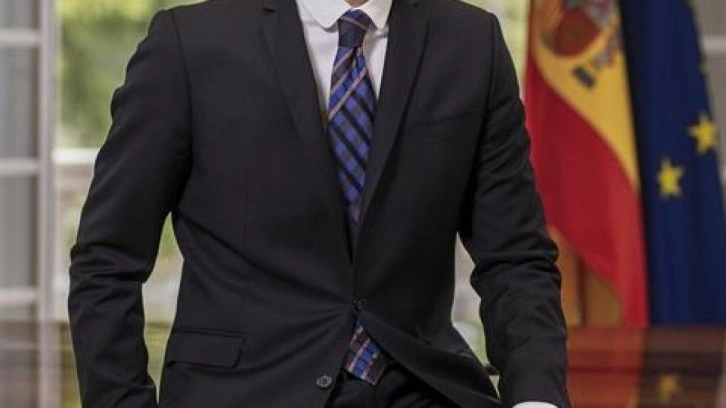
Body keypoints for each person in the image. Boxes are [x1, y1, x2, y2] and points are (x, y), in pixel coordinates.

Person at [67, 0, 569, 407]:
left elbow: (515, 259)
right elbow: (106, 260)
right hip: (244, 391)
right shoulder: (190, 44)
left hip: (424, 388)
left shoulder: (471, 42)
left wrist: (536, 399)